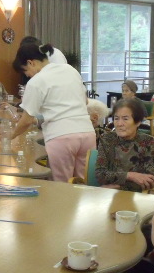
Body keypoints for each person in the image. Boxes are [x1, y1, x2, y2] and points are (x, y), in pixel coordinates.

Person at [10, 43, 95, 182]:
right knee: (84, 183)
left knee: (61, 185)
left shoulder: (37, 81)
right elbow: (85, 101)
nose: (27, 75)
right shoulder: (70, 70)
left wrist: (10, 136)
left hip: (61, 137)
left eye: (25, 71)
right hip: (87, 133)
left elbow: (26, 121)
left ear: (31, 63)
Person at [95, 98, 154, 192]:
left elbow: (150, 181)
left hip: (135, 196)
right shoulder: (107, 139)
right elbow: (100, 175)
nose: (119, 124)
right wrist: (130, 176)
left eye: (125, 119)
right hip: (108, 196)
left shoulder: (147, 142)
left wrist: (118, 187)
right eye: (116, 118)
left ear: (138, 122)